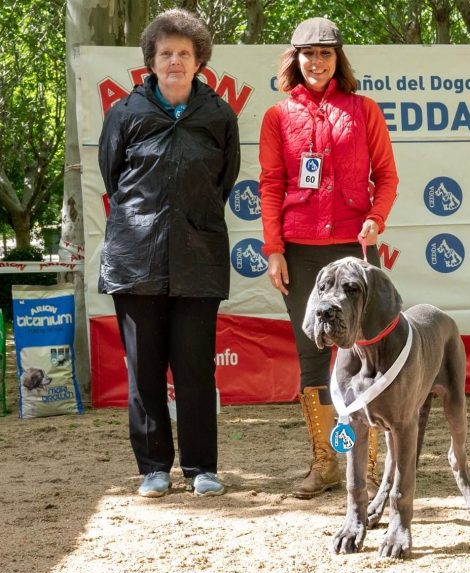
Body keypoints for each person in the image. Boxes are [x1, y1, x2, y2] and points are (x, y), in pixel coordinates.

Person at [98, 9, 241, 498]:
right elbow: (113, 179)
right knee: (145, 368)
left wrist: (190, 220)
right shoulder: (124, 114)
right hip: (135, 258)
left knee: (195, 365)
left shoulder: (219, 115)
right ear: (151, 62)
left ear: (199, 60)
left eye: (184, 53)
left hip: (199, 257)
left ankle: (202, 468)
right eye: (166, 54)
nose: (175, 61)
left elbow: (224, 182)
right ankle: (153, 467)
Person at [258, 17, 398, 499]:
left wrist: (376, 217)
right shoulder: (278, 117)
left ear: (338, 59)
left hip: (354, 248)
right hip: (299, 251)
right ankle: (325, 464)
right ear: (293, 60)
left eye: (325, 54)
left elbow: (387, 175)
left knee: (367, 352)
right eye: (307, 54)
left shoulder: (364, 110)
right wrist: (274, 249)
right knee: (313, 353)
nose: (316, 62)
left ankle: (373, 464)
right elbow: (272, 186)